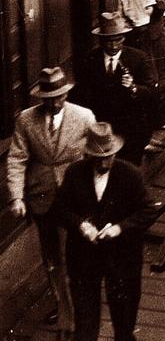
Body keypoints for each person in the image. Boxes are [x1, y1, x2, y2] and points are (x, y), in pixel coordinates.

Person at [6, 67, 96, 332]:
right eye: (50, 98)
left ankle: (77, 305)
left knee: (75, 256)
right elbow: (16, 158)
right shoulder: (26, 120)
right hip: (42, 198)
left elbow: (98, 153)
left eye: (60, 96)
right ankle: (64, 308)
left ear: (66, 93)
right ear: (41, 98)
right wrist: (17, 197)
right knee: (52, 258)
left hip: (75, 199)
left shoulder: (84, 117)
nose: (55, 103)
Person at [55, 122, 156, 341]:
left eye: (109, 156)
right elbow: (60, 208)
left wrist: (120, 228)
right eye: (98, 157)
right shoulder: (75, 173)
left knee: (124, 321)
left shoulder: (130, 174)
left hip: (122, 257)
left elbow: (148, 210)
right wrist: (81, 226)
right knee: (84, 324)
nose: (104, 162)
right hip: (84, 257)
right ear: (89, 154)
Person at [73, 13, 162, 165]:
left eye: (118, 40)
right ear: (101, 40)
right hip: (101, 130)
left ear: (124, 38)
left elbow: (152, 92)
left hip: (131, 129)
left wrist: (134, 88)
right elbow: (81, 94)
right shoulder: (90, 60)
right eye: (109, 41)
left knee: (128, 171)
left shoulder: (138, 58)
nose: (114, 46)